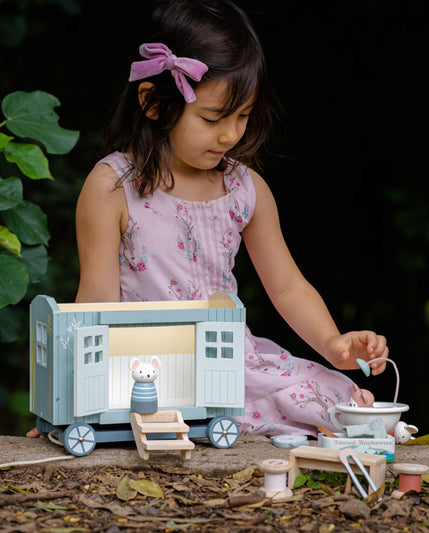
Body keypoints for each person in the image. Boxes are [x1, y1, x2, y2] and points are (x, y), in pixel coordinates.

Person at [52, 0, 388, 438]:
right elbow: (95, 302)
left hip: (226, 363)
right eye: (213, 118)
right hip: (141, 368)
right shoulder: (113, 187)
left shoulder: (245, 190)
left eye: (243, 116)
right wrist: (71, 400)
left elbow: (286, 286)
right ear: (154, 103)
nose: (230, 135)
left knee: (336, 396)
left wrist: (333, 343)